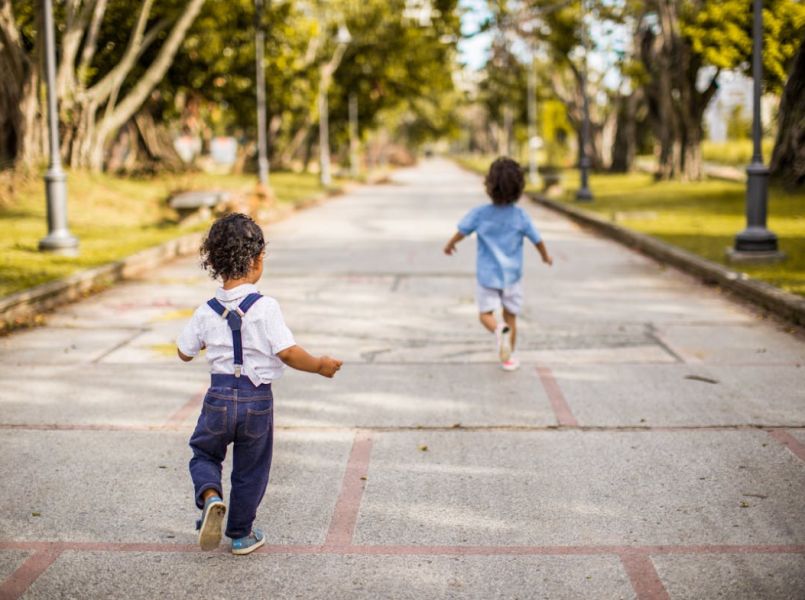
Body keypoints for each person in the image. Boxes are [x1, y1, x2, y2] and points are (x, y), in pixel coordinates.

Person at [176, 213, 342, 555]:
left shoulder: (205, 311)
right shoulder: (266, 307)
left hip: (218, 398)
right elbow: (288, 352)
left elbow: (183, 352)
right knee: (251, 469)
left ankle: (210, 496)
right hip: (256, 401)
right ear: (258, 259)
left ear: (214, 262)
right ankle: (240, 534)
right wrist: (319, 365)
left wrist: (207, 342)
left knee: (204, 453)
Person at [444, 157, 553, 371]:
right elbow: (537, 239)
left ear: (489, 185)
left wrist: (450, 245)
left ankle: (497, 328)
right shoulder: (520, 216)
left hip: (488, 277)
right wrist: (545, 257)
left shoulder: (480, 214)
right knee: (511, 316)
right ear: (519, 188)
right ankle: (508, 358)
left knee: (485, 314)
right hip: (512, 277)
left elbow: (462, 232)